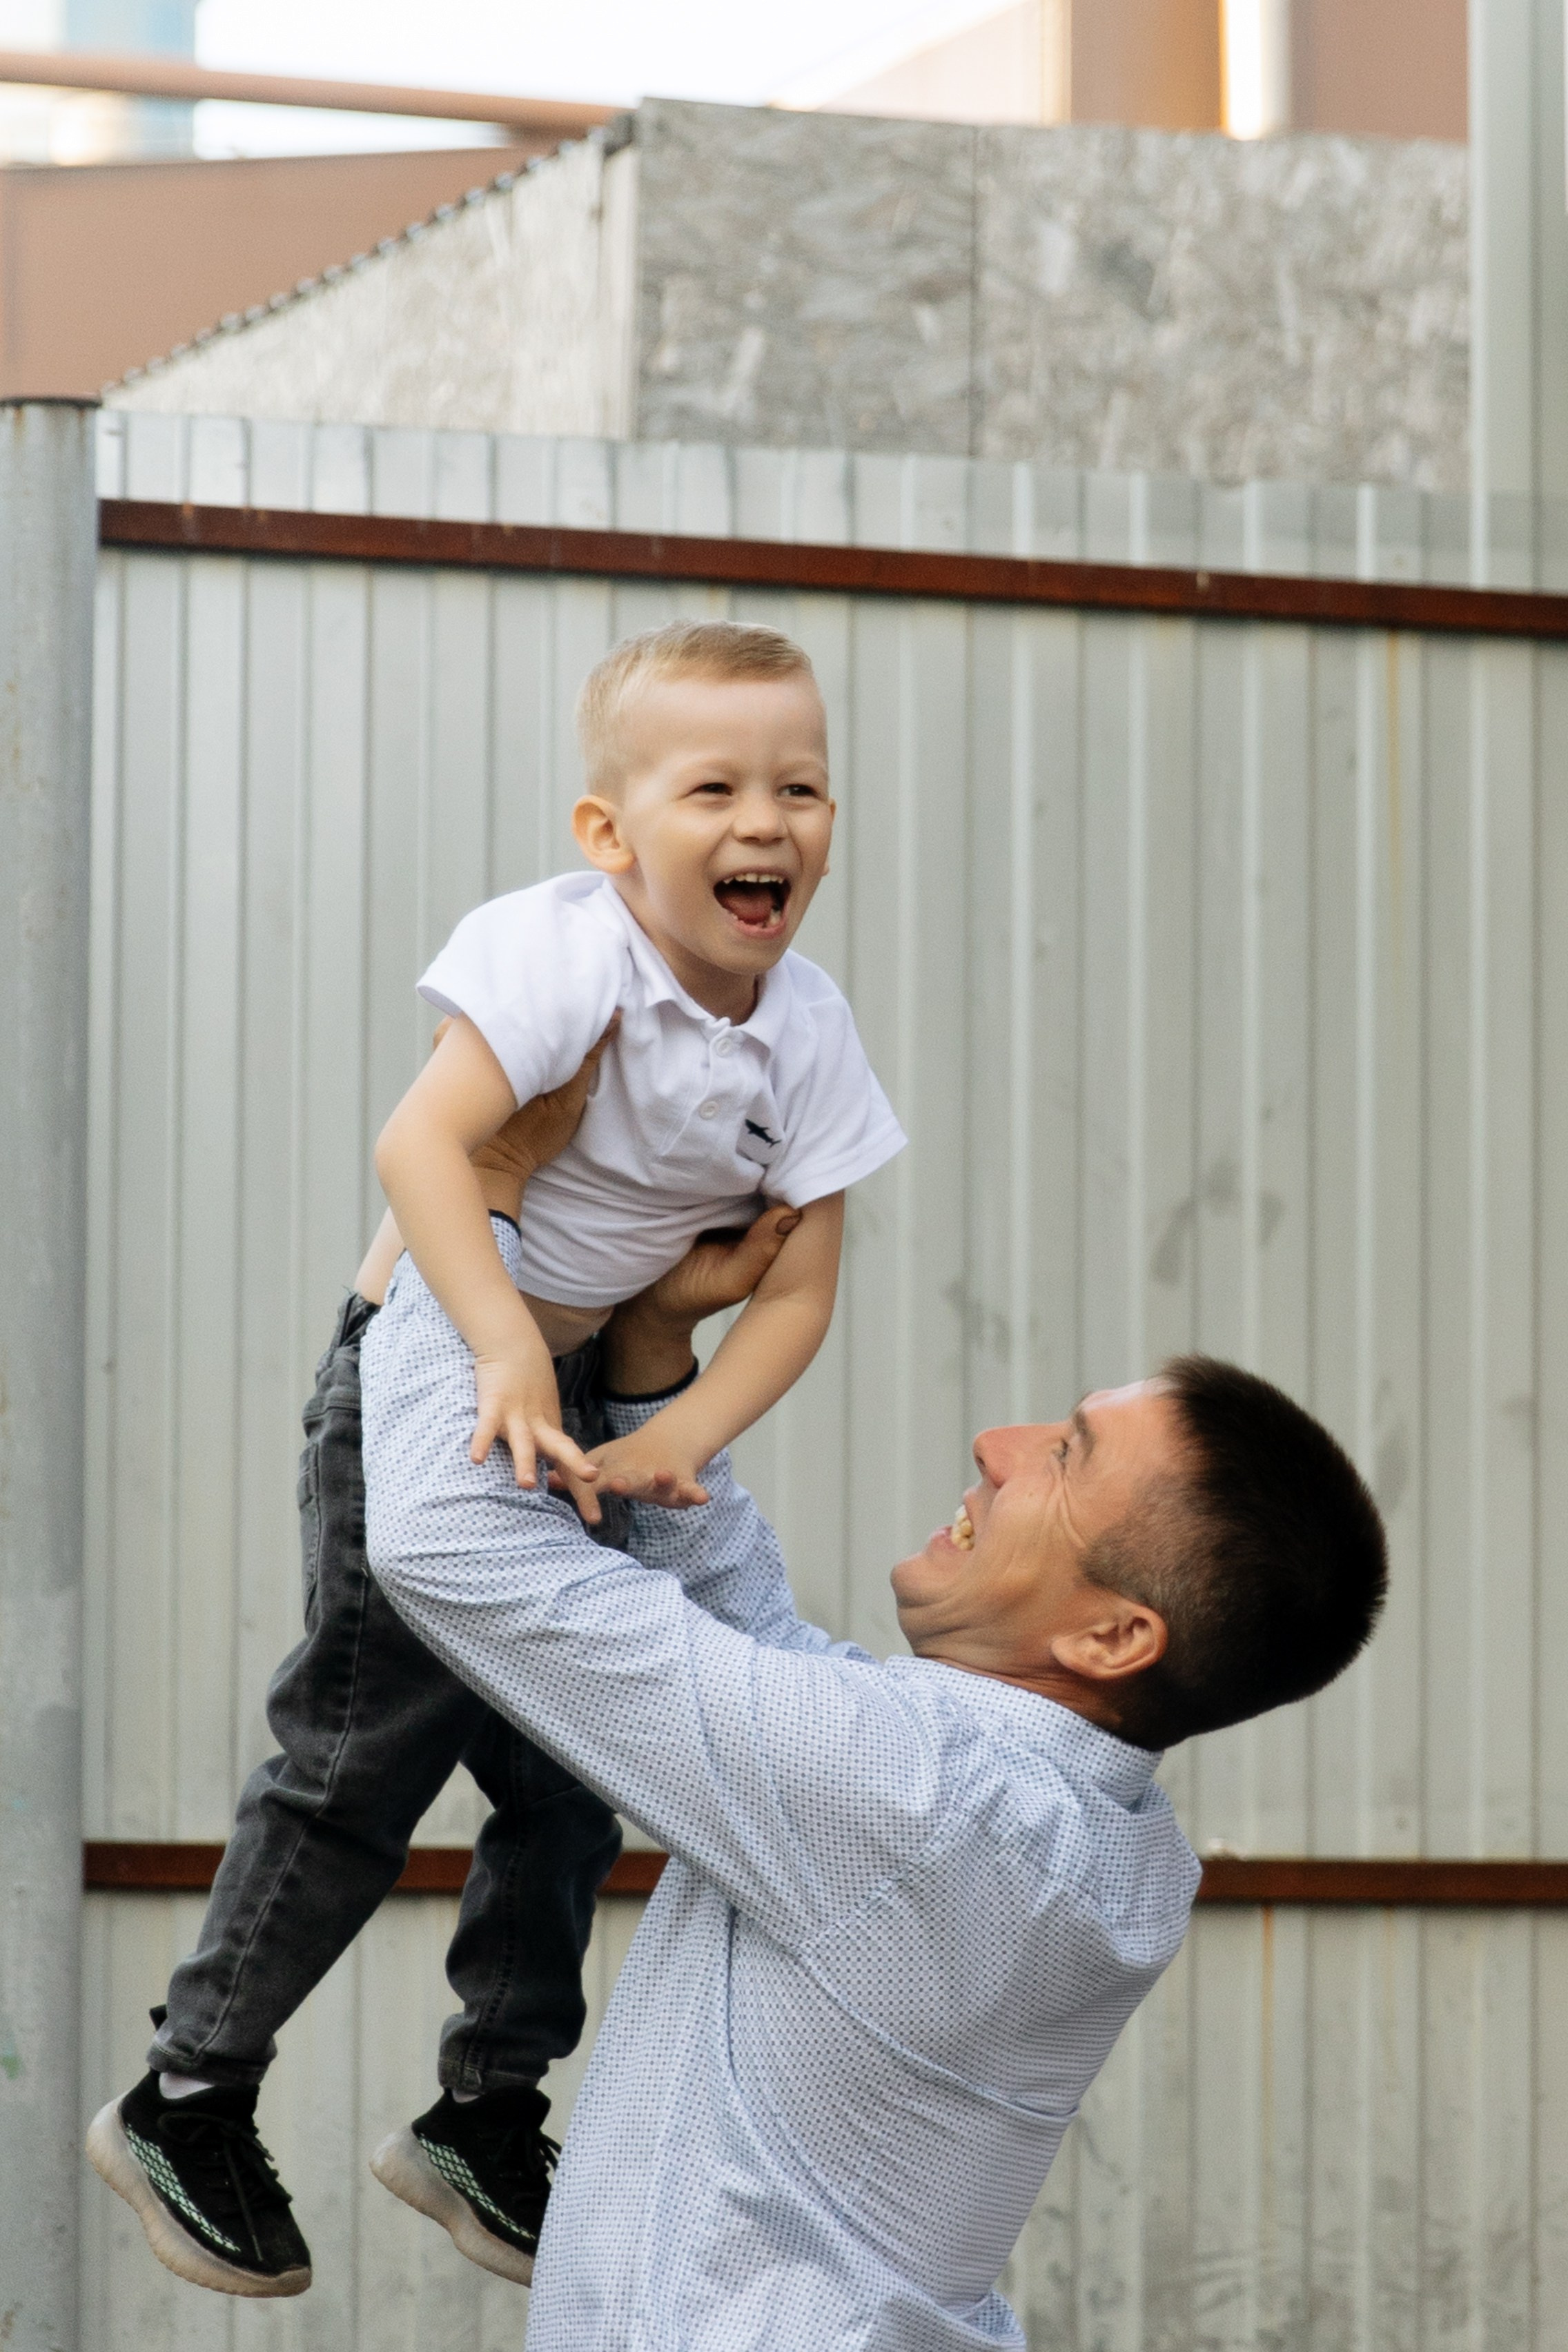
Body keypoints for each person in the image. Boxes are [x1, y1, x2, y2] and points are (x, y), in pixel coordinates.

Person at [360, 1239, 1389, 2347]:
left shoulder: (921, 1806)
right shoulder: (1093, 1836)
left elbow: (442, 1541)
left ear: (1113, 1637)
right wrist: (654, 1359)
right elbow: (753, 1651)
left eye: (1065, 1457)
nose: (998, 1446)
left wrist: (472, 1223)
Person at [85, 1045, 799, 2300]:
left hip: (575, 1409)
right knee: (362, 1756)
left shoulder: (772, 1036)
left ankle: (484, 2113)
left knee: (571, 1787)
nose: (767, 839)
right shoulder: (568, 979)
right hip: (434, 1385)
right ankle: (186, 2092)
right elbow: (436, 1143)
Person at [371, 616, 905, 1522]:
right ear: (610, 836)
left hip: (583, 1378)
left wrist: (683, 1434)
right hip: (442, 1343)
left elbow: (798, 1293)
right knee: (380, 1657)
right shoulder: (567, 953)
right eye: (713, 789)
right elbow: (417, 1144)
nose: (766, 822)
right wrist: (503, 1348)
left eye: (799, 789)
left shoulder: (813, 1030)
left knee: (539, 1651)